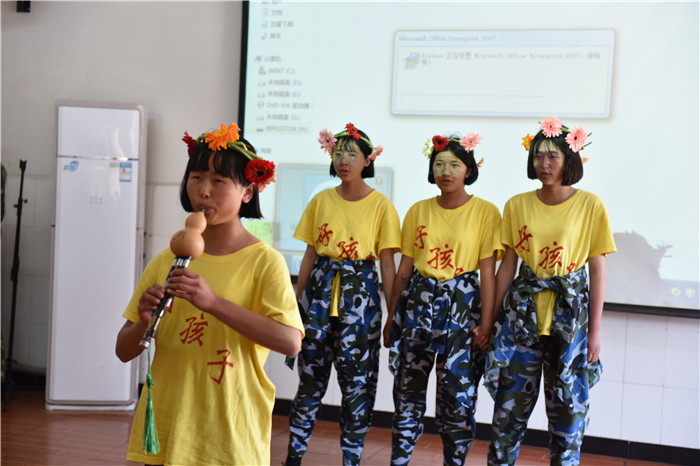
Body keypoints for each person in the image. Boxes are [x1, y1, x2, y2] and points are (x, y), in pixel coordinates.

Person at [115, 123, 304, 466]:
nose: (204, 191)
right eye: (196, 177)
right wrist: (143, 322)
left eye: (219, 181)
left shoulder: (265, 262)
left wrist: (214, 303)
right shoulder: (166, 260)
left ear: (248, 191)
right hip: (167, 429)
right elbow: (123, 351)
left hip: (229, 436)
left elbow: (290, 342)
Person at [484, 117, 616, 465]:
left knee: (568, 418)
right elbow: (507, 266)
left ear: (569, 159)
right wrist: (493, 322)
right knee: (507, 418)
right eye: (538, 156)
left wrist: (594, 332)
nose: (544, 163)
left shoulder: (590, 205)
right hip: (521, 322)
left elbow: (597, 270)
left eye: (552, 156)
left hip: (569, 325)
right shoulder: (516, 204)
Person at [284, 123, 401, 466]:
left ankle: (351, 459)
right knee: (309, 384)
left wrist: (392, 314)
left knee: (357, 389)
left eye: (352, 154)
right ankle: (293, 457)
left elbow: (387, 265)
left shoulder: (382, 206)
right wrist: (294, 306)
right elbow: (309, 255)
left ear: (368, 160)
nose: (344, 161)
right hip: (318, 300)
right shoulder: (321, 199)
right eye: (338, 153)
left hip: (362, 303)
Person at [386, 133, 502, 466]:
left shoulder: (486, 212)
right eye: (439, 164)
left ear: (469, 170)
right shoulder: (418, 210)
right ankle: (399, 460)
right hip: (418, 309)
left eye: (454, 165)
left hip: (462, 312)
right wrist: (392, 317)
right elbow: (404, 271)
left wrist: (487, 323)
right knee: (407, 392)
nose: (445, 172)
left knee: (457, 396)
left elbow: (488, 273)